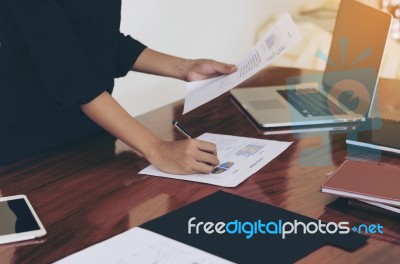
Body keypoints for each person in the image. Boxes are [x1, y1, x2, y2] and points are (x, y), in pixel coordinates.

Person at [0, 0, 237, 173]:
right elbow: (69, 74)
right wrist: (157, 149)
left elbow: (99, 39)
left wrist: (185, 68)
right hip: (27, 151)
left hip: (93, 138)